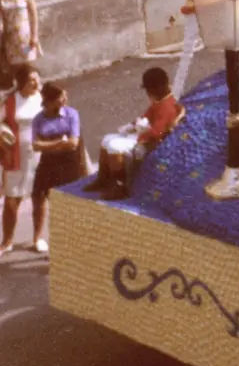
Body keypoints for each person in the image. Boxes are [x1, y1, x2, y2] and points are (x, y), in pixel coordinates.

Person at [86, 66, 180, 199]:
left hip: (150, 142)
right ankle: (103, 178)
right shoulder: (159, 101)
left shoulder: (168, 106)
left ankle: (120, 186)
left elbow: (157, 132)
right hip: (143, 135)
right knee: (106, 140)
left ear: (157, 89)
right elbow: (146, 116)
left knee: (114, 147)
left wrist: (141, 132)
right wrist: (133, 125)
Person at [30, 83, 82, 255]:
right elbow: (36, 146)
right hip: (48, 163)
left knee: (64, 204)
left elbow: (73, 144)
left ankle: (67, 243)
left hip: (68, 165)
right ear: (50, 101)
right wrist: (60, 142)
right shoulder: (39, 118)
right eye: (61, 96)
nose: (65, 99)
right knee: (37, 197)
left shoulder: (71, 114)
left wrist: (48, 144)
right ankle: (37, 238)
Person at [0, 64, 43, 255]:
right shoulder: (10, 101)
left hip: (40, 157)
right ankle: (7, 241)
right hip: (15, 157)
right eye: (31, 80)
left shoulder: (43, 99)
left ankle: (37, 238)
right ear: (20, 83)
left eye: (37, 78)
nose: (35, 83)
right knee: (12, 200)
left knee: (39, 198)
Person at [0, 0, 40, 89]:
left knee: (27, 64)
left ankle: (35, 91)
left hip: (25, 38)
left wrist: (34, 36)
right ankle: (20, 93)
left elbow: (33, 15)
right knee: (15, 67)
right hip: (11, 39)